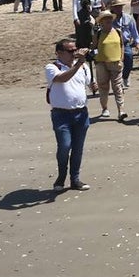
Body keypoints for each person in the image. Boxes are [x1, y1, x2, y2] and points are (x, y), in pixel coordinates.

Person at [45, 38, 93, 192]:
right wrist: (79, 64)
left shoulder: (84, 67)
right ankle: (61, 176)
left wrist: (93, 85)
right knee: (65, 146)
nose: (74, 53)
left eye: (75, 50)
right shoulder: (52, 67)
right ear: (59, 53)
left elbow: (87, 83)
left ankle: (75, 179)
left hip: (81, 113)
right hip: (61, 115)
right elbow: (62, 79)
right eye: (70, 51)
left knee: (78, 148)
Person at [93, 11, 127, 121]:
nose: (108, 20)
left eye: (109, 18)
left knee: (117, 87)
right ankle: (105, 108)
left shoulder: (117, 31)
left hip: (115, 62)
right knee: (103, 87)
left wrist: (121, 58)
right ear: (101, 22)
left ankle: (121, 110)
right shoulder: (98, 33)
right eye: (105, 18)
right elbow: (94, 46)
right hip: (101, 62)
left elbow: (122, 45)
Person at [109, 0, 139, 90]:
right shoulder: (109, 19)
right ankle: (118, 81)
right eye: (116, 7)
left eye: (120, 7)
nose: (118, 8)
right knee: (116, 64)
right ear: (112, 8)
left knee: (129, 60)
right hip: (113, 45)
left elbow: (134, 31)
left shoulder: (128, 18)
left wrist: (137, 42)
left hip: (125, 43)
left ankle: (125, 77)